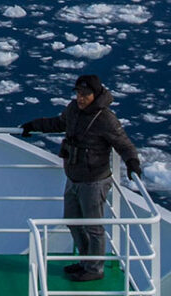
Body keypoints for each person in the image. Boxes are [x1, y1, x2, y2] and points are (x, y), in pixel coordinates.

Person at [19, 73, 144, 283]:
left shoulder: (106, 119)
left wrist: (133, 163)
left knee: (93, 227)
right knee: (72, 221)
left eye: (85, 94)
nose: (81, 98)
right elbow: (58, 123)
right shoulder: (74, 110)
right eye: (78, 93)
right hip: (74, 177)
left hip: (94, 181)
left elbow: (124, 144)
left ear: (95, 94)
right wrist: (33, 125)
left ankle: (95, 268)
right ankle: (87, 261)